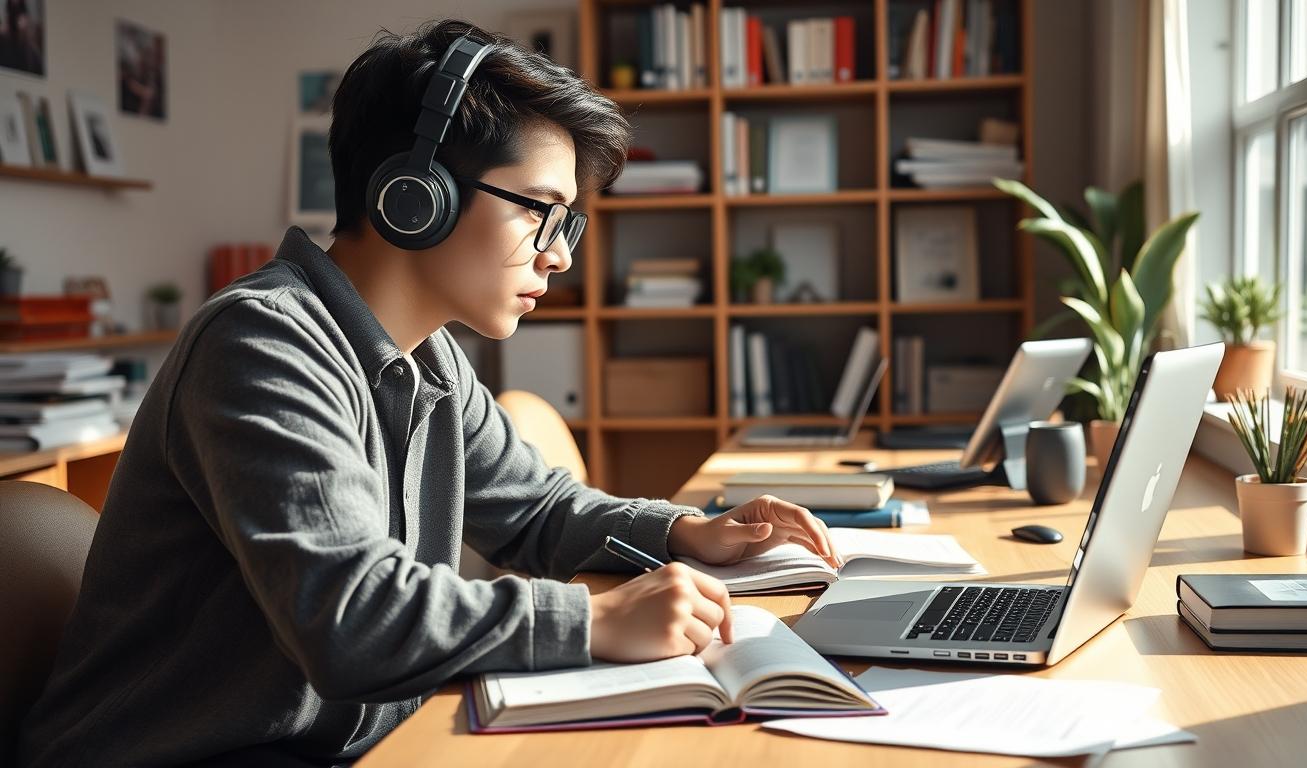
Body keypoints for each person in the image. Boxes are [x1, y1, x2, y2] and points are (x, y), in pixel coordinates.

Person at [18, 19, 838, 767]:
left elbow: (537, 513)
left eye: (567, 223)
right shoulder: (261, 344)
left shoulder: (430, 358)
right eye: (540, 211)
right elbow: (350, 619)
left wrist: (687, 531)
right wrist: (593, 620)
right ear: (414, 196)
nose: (559, 256)